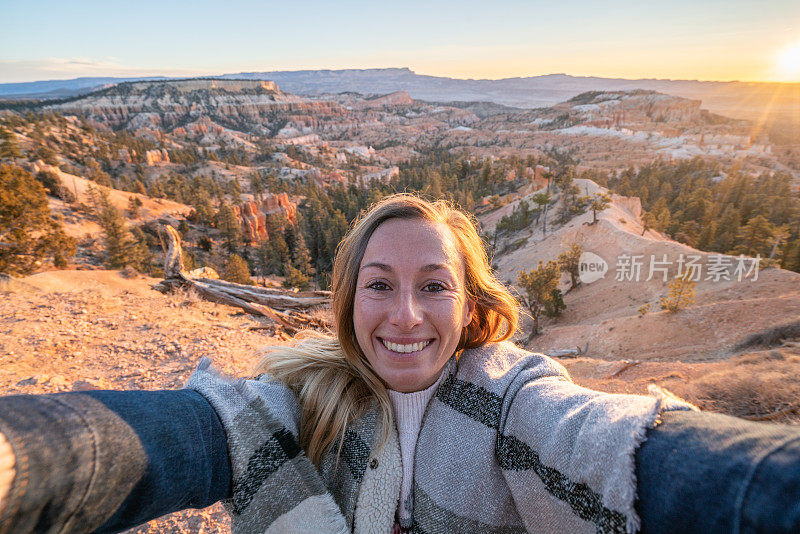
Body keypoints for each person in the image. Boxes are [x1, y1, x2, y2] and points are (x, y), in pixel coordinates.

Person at [0, 193, 798, 534]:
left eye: (434, 286)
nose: (407, 315)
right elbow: (181, 438)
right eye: (379, 285)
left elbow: (610, 444)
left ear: (472, 306)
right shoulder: (299, 400)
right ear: (347, 302)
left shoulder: (515, 398)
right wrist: (25, 461)